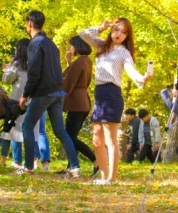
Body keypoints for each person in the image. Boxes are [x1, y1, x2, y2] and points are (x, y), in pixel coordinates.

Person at [80, 18, 152, 185]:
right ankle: (103, 177)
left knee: (110, 139)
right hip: (99, 94)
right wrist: (101, 27)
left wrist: (143, 78)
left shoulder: (123, 53)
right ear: (112, 30)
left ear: (127, 36)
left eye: (124, 32)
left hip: (112, 93)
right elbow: (83, 34)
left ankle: (111, 178)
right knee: (97, 140)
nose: (119, 34)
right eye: (116, 29)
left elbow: (132, 72)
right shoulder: (101, 46)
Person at [16, 10, 80, 177]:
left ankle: (28, 167)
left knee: (27, 126)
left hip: (45, 92)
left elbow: (34, 72)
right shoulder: (50, 43)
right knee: (60, 130)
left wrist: (25, 94)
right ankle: (74, 167)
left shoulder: (35, 43)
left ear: (29, 23)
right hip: (59, 91)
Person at [60, 35, 98, 176]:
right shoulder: (86, 61)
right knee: (72, 135)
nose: (70, 48)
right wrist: (68, 63)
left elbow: (67, 84)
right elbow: (75, 79)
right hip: (83, 102)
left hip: (76, 103)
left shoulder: (79, 62)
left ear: (76, 46)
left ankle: (96, 161)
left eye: (71, 46)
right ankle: (71, 166)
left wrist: (57, 98)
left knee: (70, 137)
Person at [0, 39, 39, 168]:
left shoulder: (17, 64)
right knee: (30, 130)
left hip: (17, 100)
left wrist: (6, 69)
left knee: (14, 128)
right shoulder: (35, 63)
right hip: (33, 100)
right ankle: (33, 161)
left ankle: (16, 161)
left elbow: (7, 79)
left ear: (20, 49)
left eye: (16, 48)